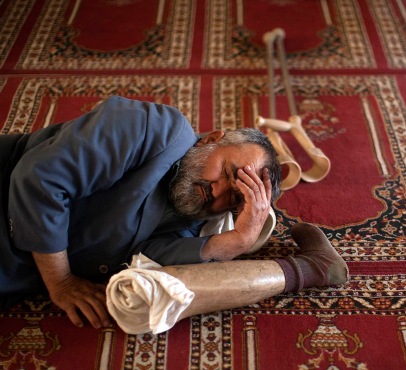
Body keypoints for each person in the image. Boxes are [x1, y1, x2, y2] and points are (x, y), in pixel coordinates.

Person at [1, 96, 348, 330]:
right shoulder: (158, 129)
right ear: (210, 139)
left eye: (233, 200)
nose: (217, 191)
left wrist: (238, 241)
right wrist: (61, 282)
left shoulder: (192, 215)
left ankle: (307, 270)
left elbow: (147, 267)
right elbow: (39, 178)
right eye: (228, 174)